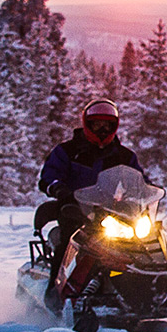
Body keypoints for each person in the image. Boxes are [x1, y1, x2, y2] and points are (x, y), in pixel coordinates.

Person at [36, 99, 143, 309]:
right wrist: (59, 189)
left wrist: (142, 192)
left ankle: (152, 288)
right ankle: (55, 292)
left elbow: (138, 179)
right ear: (87, 124)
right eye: (97, 125)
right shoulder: (68, 151)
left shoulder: (122, 155)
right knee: (70, 238)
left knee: (144, 240)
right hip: (74, 208)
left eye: (107, 125)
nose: (102, 129)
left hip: (110, 212)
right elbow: (49, 176)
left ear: (115, 126)